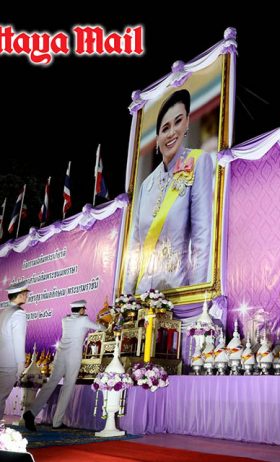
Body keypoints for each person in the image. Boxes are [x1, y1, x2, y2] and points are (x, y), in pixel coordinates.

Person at [124, 89, 214, 294]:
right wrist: (126, 299)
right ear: (157, 138)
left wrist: (196, 297)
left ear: (187, 123)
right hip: (142, 295)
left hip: (177, 292)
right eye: (165, 128)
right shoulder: (146, 185)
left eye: (178, 122)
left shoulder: (198, 161)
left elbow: (202, 237)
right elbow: (135, 248)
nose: (172, 132)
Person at [23, 300, 104, 431]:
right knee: (68, 387)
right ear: (81, 310)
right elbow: (100, 327)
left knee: (50, 384)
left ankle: (31, 413)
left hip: (60, 355)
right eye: (84, 309)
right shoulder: (83, 320)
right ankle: (57, 422)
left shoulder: (65, 319)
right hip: (73, 357)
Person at [0, 281, 29, 421]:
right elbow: (18, 340)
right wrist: (20, 365)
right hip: (8, 363)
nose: (27, 296)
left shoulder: (4, 312)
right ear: (21, 295)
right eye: (25, 294)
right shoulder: (18, 313)